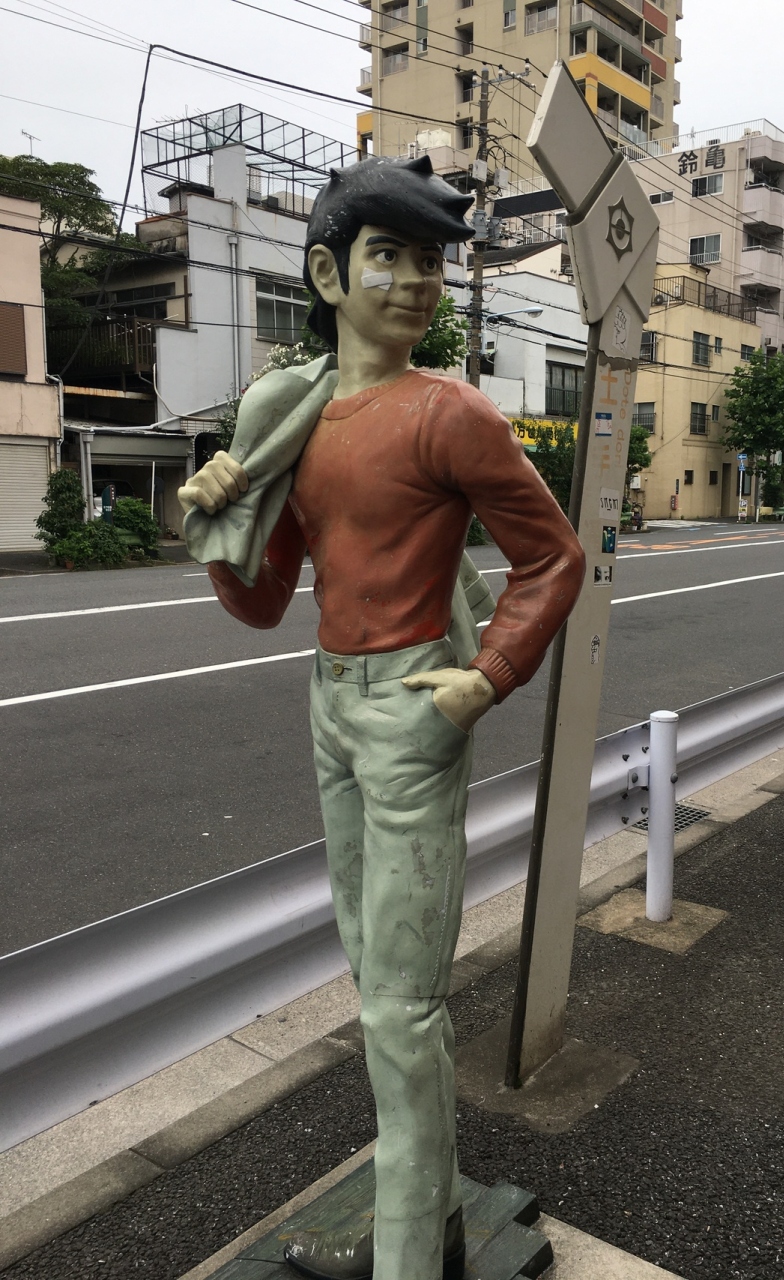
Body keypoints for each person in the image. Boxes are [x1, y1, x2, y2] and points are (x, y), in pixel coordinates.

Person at [178, 155, 585, 1280]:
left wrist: (483, 676)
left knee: (399, 1011)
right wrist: (214, 526)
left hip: (411, 705)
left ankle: (408, 1254)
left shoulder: (450, 413)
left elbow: (553, 557)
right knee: (379, 987)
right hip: (331, 701)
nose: (414, 282)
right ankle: (434, 1220)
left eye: (430, 263)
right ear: (328, 273)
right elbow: (263, 601)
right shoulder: (290, 417)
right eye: (388, 257)